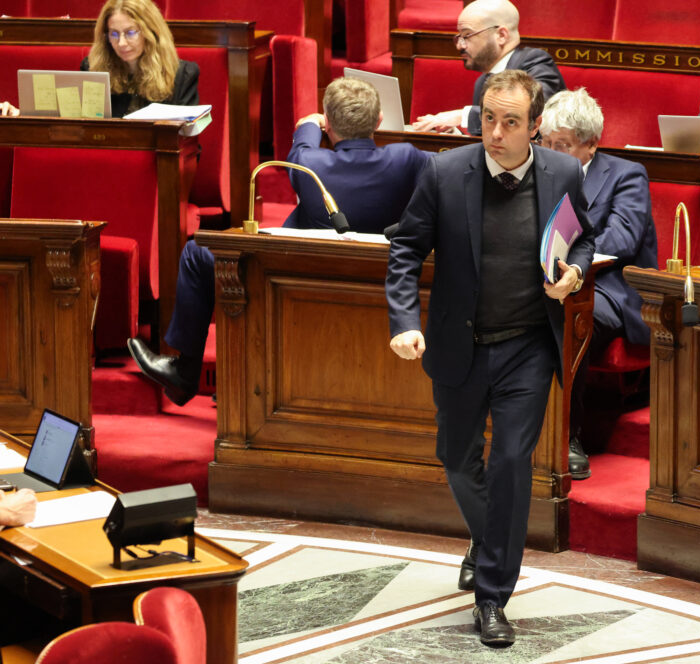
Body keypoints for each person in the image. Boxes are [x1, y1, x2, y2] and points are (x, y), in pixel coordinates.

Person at [387, 70, 594, 647]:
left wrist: (575, 273)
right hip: (461, 344)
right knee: (457, 460)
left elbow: (582, 236)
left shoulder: (563, 172)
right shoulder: (444, 173)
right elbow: (406, 249)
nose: (495, 133)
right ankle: (488, 539)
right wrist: (404, 321)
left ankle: (493, 595)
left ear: (535, 126)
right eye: (488, 119)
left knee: (509, 463)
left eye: (509, 122)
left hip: (528, 346)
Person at [129, 77, 432, 406]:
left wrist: (313, 123)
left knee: (195, 253)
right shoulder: (407, 159)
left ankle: (186, 371)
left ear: (328, 123)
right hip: (383, 277)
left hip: (296, 282)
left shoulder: (308, 164)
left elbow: (303, 135)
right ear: (379, 121)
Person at [538, 87, 657, 480]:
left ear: (591, 144)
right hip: (546, 279)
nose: (550, 152)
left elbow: (621, 238)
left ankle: (567, 435)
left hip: (608, 288)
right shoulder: (535, 171)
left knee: (567, 315)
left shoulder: (626, 175)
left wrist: (570, 261)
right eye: (545, 142)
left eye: (562, 145)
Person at [410, 0, 565, 136]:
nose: (459, 46)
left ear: (501, 35)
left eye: (467, 35)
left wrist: (462, 116)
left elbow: (531, 114)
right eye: (459, 37)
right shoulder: (483, 81)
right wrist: (453, 131)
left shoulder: (535, 62)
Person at [82, 0, 199, 119]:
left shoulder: (182, 75)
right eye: (114, 34)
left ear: (150, 33)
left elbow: (186, 128)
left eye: (130, 33)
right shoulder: (93, 70)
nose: (121, 43)